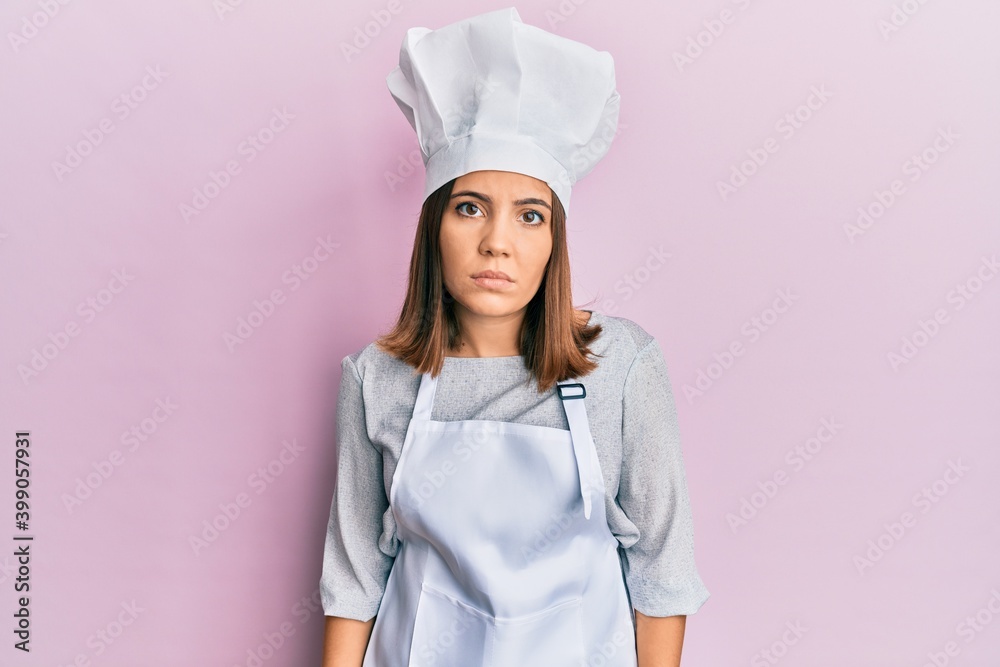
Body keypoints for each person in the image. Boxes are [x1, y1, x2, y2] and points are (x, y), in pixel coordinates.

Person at [320, 7, 709, 666]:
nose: (497, 241)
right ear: (433, 226)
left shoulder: (622, 366)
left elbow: (662, 576)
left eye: (530, 216)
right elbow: (355, 582)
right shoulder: (375, 378)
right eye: (470, 207)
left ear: (554, 239)